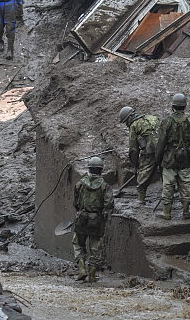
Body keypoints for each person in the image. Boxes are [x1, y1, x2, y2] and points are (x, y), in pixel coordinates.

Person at [153, 93, 190, 221]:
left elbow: (161, 143)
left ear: (172, 107)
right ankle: (186, 212)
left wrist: (157, 160)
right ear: (185, 107)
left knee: (168, 185)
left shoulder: (167, 122)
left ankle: (166, 213)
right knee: (185, 184)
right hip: (186, 159)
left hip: (170, 159)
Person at [72, 156, 113, 284]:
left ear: (89, 169)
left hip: (81, 218)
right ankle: (92, 275)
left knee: (78, 244)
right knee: (96, 247)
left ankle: (82, 269)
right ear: (101, 171)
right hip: (97, 220)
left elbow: (75, 203)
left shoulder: (79, 184)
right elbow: (109, 204)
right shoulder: (105, 186)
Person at [120, 105, 161, 205]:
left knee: (143, 176)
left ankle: (140, 200)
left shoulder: (134, 125)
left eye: (126, 122)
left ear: (129, 118)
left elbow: (133, 149)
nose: (126, 124)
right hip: (164, 149)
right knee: (167, 174)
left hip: (149, 152)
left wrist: (136, 165)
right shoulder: (153, 118)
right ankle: (169, 198)